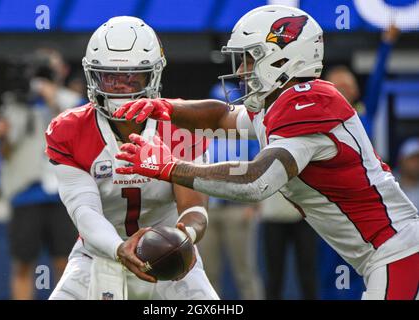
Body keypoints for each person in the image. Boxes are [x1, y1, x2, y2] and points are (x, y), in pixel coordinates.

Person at [114, 5, 419, 300]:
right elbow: (221, 117)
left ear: (282, 58)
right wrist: (166, 108)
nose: (241, 71)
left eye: (248, 60)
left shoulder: (308, 103)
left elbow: (256, 181)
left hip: (397, 252)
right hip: (389, 254)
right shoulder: (282, 103)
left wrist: (169, 167)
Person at [45, 16, 218, 300]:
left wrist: (184, 237)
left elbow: (194, 207)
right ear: (92, 76)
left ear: (153, 76)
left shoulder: (182, 123)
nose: (121, 86)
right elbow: (84, 211)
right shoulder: (69, 130)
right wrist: (118, 248)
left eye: (131, 77)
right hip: (98, 253)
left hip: (170, 256)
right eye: (109, 77)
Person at [0, 48, 81, 299]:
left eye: (49, 70)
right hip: (25, 194)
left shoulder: (71, 101)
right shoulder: (15, 102)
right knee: (22, 264)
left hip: (64, 196)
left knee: (67, 265)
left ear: (61, 71)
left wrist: (52, 100)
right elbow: (5, 149)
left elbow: (77, 137)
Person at [198, 82, 264, 299]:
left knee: (245, 272)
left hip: (237, 207)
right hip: (209, 208)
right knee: (208, 275)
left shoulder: (248, 131)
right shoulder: (201, 133)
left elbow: (260, 167)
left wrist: (254, 205)